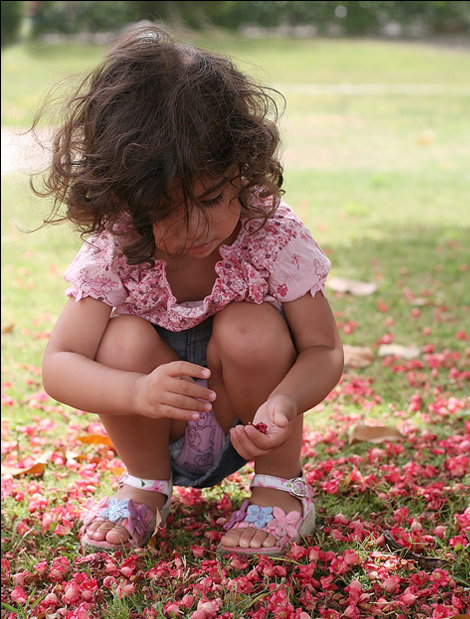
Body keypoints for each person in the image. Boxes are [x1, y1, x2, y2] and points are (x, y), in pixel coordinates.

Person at [35, 24, 344, 556]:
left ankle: (279, 487)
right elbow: (59, 363)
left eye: (212, 196)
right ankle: (147, 486)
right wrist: (135, 392)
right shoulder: (119, 242)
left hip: (248, 421)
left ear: (241, 166)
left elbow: (324, 349)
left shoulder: (270, 231)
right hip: (160, 425)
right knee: (122, 339)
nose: (196, 228)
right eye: (166, 211)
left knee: (250, 324)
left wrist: (286, 401)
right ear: (126, 200)